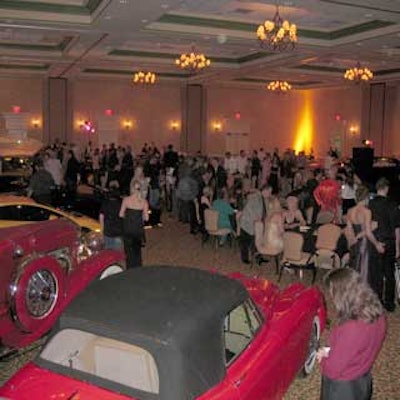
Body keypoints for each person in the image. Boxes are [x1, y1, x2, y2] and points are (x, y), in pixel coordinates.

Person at [318, 268, 386, 400]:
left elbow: (332, 371)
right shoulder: (378, 313)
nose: (331, 298)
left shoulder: (352, 329)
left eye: (333, 293)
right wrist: (329, 349)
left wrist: (323, 357)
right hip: (363, 379)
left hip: (343, 389)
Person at [368, 177, 400, 312]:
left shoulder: (370, 204)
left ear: (377, 188)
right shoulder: (393, 204)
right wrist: (398, 247)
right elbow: (397, 228)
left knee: (376, 273)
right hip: (389, 242)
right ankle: (389, 303)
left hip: (375, 241)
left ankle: (377, 301)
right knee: (389, 273)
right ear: (387, 188)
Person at [345, 185, 384, 282]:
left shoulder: (350, 211)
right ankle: (364, 295)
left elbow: (348, 230)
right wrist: (377, 244)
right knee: (365, 272)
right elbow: (368, 232)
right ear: (366, 197)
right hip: (365, 244)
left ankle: (355, 294)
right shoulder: (367, 211)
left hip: (354, 245)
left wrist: (352, 241)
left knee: (355, 270)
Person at [238, 184, 272, 264]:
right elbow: (249, 208)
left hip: (253, 223)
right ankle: (245, 259)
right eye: (269, 192)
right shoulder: (256, 197)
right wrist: (256, 218)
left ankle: (258, 258)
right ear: (265, 190)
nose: (270, 194)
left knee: (256, 241)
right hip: (248, 222)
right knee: (246, 242)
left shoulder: (261, 198)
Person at [119, 179, 149, 268]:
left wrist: (128, 217)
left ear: (131, 189)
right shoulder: (144, 202)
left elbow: (120, 214)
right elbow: (146, 218)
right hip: (138, 228)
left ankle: (129, 268)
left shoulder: (126, 199)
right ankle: (137, 268)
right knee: (137, 251)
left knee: (128, 250)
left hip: (128, 227)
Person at [99, 181, 123, 250]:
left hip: (108, 231)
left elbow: (101, 217)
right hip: (118, 231)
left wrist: (101, 231)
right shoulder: (120, 204)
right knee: (117, 252)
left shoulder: (105, 203)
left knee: (107, 252)